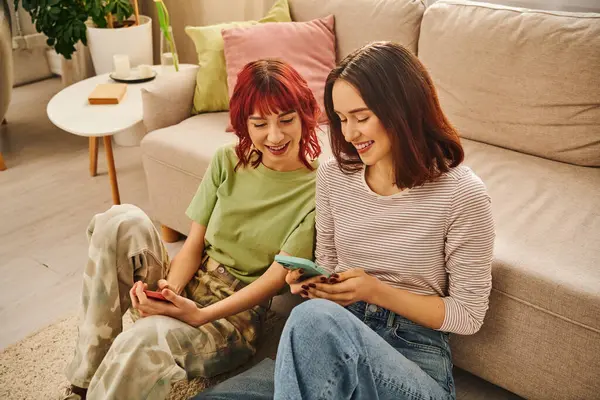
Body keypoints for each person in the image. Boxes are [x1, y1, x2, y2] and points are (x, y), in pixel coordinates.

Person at [196, 41, 495, 400]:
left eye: (362, 117)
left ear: (402, 109)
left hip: (412, 357)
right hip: (334, 336)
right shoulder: (334, 177)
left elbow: (467, 314)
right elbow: (329, 265)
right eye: (341, 119)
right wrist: (313, 282)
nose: (349, 134)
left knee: (313, 320)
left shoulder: (463, 195)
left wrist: (374, 290)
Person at [62, 59, 322, 400]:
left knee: (141, 340)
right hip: (192, 284)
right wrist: (170, 291)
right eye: (260, 124)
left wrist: (199, 315)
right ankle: (82, 383)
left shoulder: (317, 189)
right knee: (120, 219)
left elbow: (272, 281)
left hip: (231, 320)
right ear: (245, 124)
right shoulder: (227, 160)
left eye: (286, 120)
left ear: (304, 114)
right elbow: (192, 247)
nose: (274, 136)